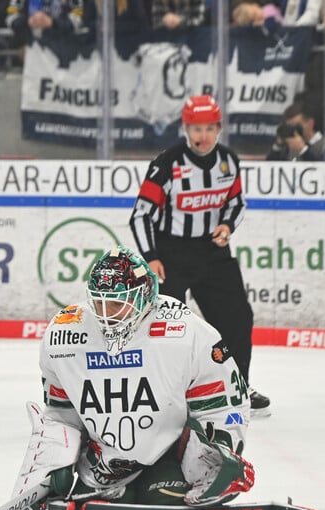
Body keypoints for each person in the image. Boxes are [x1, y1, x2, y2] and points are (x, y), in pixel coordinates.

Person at [10, 246, 254, 510]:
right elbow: (61, 413)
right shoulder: (64, 334)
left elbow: (223, 404)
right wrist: (50, 465)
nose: (106, 314)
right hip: (103, 469)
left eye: (116, 303)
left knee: (163, 508)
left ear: (144, 297)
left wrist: (217, 455)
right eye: (99, 302)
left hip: (171, 459)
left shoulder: (184, 330)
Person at [129, 94, 271, 416]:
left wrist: (226, 226)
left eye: (209, 128)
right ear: (185, 128)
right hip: (170, 253)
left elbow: (236, 203)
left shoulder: (228, 161)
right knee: (164, 328)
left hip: (212, 251)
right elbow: (140, 215)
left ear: (219, 129)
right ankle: (161, 393)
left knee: (237, 318)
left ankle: (237, 386)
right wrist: (151, 257)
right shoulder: (167, 164)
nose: (202, 136)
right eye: (195, 128)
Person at [265, 97, 325, 161]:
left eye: (296, 125)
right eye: (290, 126)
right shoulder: (289, 147)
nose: (293, 130)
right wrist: (278, 146)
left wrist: (303, 150)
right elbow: (269, 167)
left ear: (310, 123)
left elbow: (324, 169)